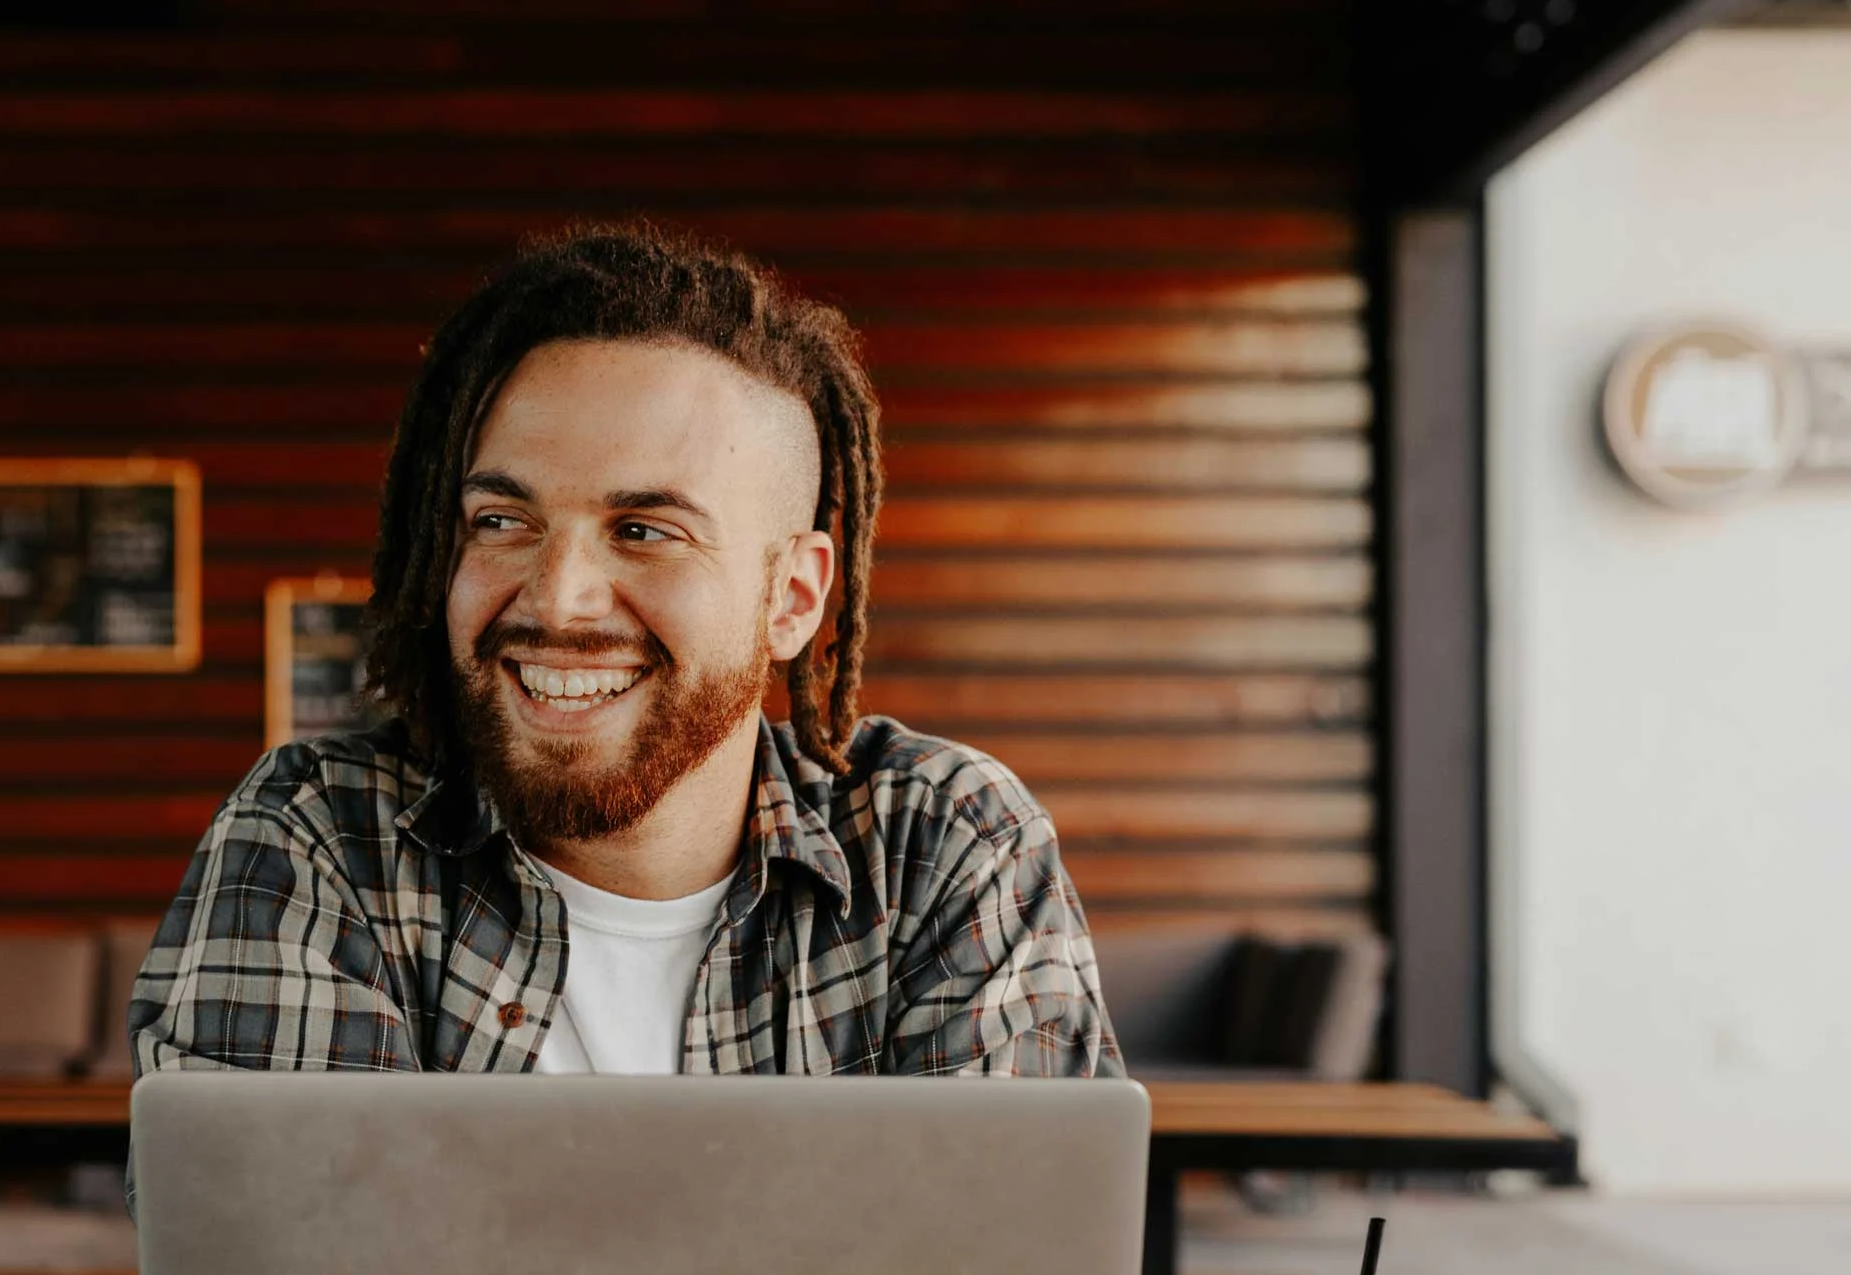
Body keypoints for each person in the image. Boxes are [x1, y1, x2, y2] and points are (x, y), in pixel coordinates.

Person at [129, 222, 1119, 1079]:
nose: (557, 597)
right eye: (502, 519)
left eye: (644, 529)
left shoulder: (942, 847)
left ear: (794, 597)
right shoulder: (322, 837)